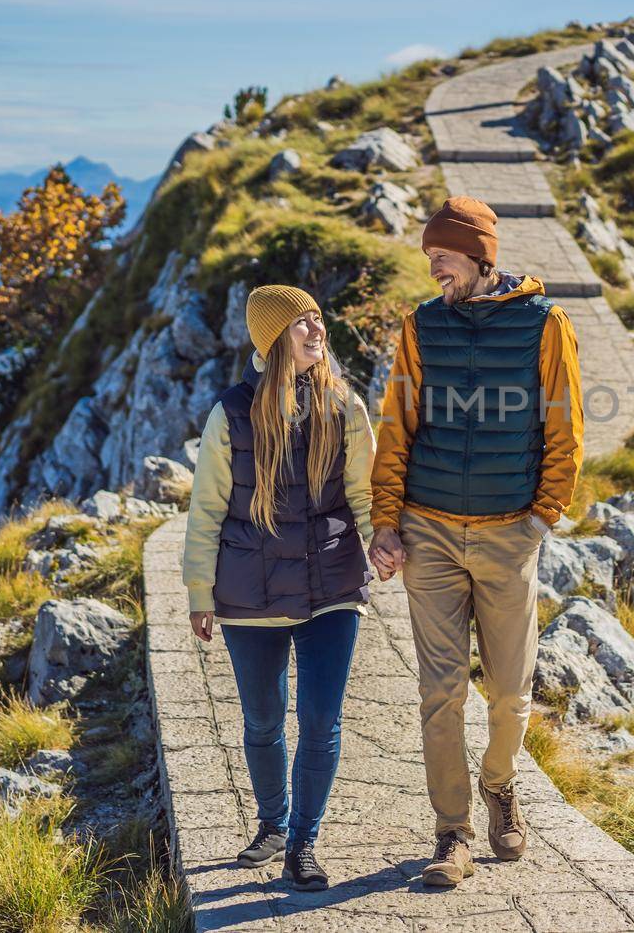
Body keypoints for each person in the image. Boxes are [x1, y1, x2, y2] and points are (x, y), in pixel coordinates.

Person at [369, 195, 585, 887]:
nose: (434, 270)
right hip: (428, 534)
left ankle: (500, 784)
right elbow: (396, 426)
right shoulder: (421, 325)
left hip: (507, 537)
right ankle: (453, 832)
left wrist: (542, 516)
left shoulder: (545, 323)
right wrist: (385, 518)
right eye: (430, 259)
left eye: (443, 258)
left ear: (480, 255)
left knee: (510, 693)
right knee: (440, 694)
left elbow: (566, 428)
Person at [183, 284, 382, 892]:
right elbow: (207, 510)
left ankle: (302, 842)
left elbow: (365, 492)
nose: (316, 329)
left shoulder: (344, 405)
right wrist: (199, 592)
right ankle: (271, 822)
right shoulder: (231, 412)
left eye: (318, 317)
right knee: (263, 721)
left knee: (320, 722)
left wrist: (383, 543)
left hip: (331, 587)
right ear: (272, 340)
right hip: (250, 594)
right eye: (301, 323)